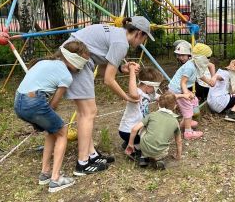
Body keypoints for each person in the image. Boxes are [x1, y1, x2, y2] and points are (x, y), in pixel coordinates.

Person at [60, 16, 154, 175]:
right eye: (144, 38)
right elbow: (108, 80)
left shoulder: (117, 35)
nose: (142, 43)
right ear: (138, 33)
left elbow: (104, 70)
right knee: (88, 112)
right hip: (74, 60)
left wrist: (120, 68)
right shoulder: (121, 43)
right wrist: (127, 97)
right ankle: (82, 163)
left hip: (75, 58)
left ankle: (92, 155)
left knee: (87, 112)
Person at [14, 41, 89, 192]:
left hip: (18, 102)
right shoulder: (66, 76)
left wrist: (39, 121)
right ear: (74, 59)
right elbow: (53, 104)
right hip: (33, 102)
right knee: (62, 132)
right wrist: (39, 115)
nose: (82, 67)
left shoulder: (44, 62)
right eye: (82, 61)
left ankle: (45, 173)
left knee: (51, 131)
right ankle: (55, 179)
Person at [168, 43, 216, 140]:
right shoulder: (190, 67)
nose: (209, 60)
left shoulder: (196, 64)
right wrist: (186, 94)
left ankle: (186, 122)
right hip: (177, 90)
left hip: (182, 89)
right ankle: (188, 132)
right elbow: (183, 82)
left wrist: (209, 81)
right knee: (188, 108)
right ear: (201, 58)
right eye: (208, 57)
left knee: (194, 101)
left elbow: (200, 75)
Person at [125, 92, 182, 170]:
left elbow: (134, 129)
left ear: (158, 104)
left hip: (145, 148)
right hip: (161, 152)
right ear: (175, 106)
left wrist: (130, 144)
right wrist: (178, 155)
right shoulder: (175, 121)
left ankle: (143, 157)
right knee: (164, 135)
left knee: (144, 127)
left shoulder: (152, 115)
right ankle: (158, 160)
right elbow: (178, 141)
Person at [118, 65, 164, 152]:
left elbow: (164, 98)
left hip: (133, 131)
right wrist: (132, 71)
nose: (155, 90)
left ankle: (132, 143)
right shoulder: (138, 93)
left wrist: (182, 95)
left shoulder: (148, 94)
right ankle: (134, 148)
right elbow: (133, 93)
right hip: (128, 131)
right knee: (154, 137)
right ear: (148, 86)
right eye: (155, 88)